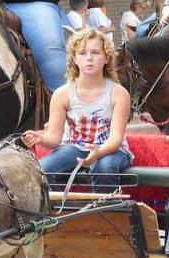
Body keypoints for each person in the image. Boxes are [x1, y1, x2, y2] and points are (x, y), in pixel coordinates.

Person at [22, 29, 134, 194]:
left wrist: (99, 152)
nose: (89, 58)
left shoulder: (118, 93)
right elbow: (54, 137)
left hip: (111, 149)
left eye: (95, 53)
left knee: (103, 166)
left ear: (107, 58)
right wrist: (40, 138)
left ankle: (107, 213)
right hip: (74, 147)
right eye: (82, 53)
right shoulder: (62, 94)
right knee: (43, 168)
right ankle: (60, 212)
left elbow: (116, 138)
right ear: (74, 58)